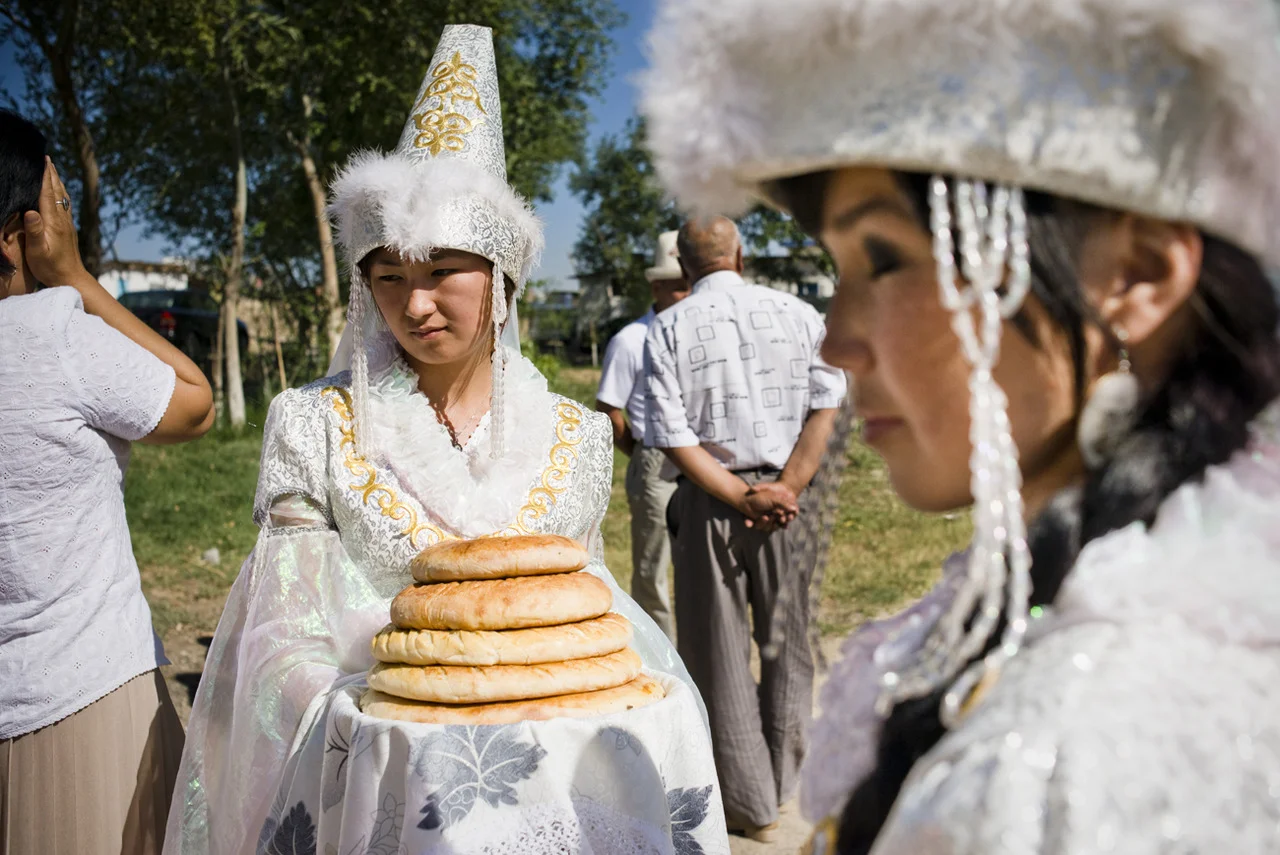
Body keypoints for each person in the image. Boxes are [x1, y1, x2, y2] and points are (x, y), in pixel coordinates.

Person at [642, 0, 1280, 852]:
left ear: (1134, 275)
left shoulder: (1099, 744)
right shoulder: (1087, 594)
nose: (838, 337)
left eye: (888, 258)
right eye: (840, 267)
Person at [165, 26, 727, 855]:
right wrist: (389, 729)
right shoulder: (316, 423)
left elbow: (589, 613)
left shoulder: (572, 434)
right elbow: (280, 633)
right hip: (386, 778)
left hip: (555, 792)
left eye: (440, 272)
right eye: (388, 277)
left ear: (500, 277)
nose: (415, 303)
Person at [0, 110, 215, 855]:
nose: (67, 216)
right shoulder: (54, 335)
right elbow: (194, 401)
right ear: (16, 232)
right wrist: (74, 275)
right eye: (61, 204)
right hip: (83, 695)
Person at [643, 215, 845, 840]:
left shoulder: (668, 327)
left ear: (682, 265)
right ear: (741, 252)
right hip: (788, 499)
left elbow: (672, 435)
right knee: (789, 642)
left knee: (718, 649)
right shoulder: (800, 314)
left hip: (712, 502)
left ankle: (749, 803)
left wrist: (736, 493)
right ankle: (784, 784)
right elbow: (828, 401)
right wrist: (787, 487)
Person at [595, 229, 691, 637]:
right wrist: (640, 454)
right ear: (657, 285)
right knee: (654, 565)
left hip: (704, 460)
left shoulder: (698, 332)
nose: (688, 294)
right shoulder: (632, 339)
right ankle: (664, 654)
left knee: (698, 564)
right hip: (655, 460)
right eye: (680, 286)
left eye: (692, 285)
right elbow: (609, 409)